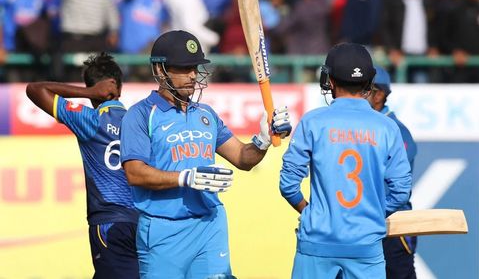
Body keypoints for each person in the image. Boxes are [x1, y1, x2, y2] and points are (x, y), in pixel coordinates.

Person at [120, 30, 292, 278]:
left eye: (194, 67)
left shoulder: (206, 114)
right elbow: (135, 173)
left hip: (210, 225)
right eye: (183, 68)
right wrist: (185, 178)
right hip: (163, 229)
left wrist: (262, 140)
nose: (192, 75)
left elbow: (243, 158)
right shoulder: (140, 115)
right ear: (160, 70)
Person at [279, 43, 412, 279]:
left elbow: (288, 184)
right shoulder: (387, 127)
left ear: (328, 81)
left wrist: (310, 212)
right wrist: (373, 214)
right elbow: (401, 192)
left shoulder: (313, 122)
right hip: (366, 245)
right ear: (369, 82)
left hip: (317, 242)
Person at [26, 53, 139, 279]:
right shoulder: (140, 122)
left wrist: (88, 93)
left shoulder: (90, 121)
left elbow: (34, 89)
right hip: (144, 224)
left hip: (109, 224)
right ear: (120, 88)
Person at [367, 66, 418, 279]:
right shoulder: (361, 126)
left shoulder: (395, 130)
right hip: (365, 226)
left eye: (363, 89)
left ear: (379, 95)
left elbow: (397, 185)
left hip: (393, 229)